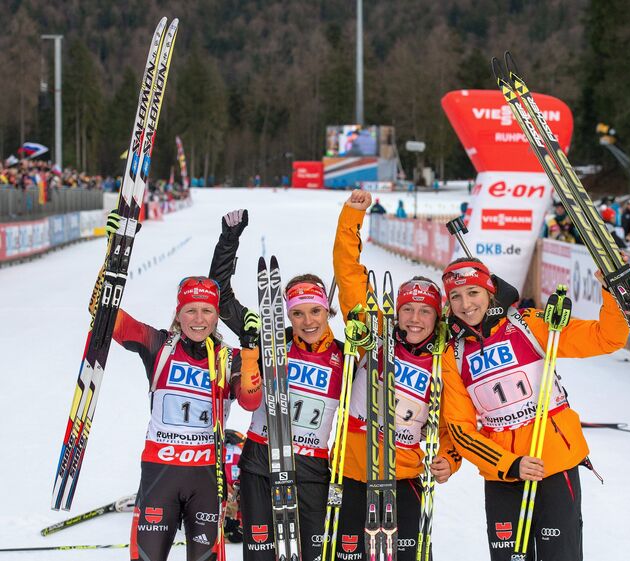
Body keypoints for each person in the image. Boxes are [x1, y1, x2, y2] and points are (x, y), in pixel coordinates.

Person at [439, 258, 629, 561]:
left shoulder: (530, 324)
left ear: (490, 292)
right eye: (456, 296)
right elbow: (461, 430)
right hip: (503, 477)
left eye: (473, 292)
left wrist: (611, 291)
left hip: (552, 464)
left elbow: (607, 338)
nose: (465, 304)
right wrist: (510, 464)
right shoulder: (454, 353)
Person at [208, 209, 348, 561]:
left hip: (312, 467)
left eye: (314, 311)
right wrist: (229, 240)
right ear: (286, 314)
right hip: (260, 463)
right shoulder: (271, 339)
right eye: (297, 313)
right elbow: (220, 299)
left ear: (326, 311)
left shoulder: (346, 357)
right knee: (261, 555)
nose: (307, 321)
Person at [332, 189, 462, 561]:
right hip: (354, 471)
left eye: (424, 311)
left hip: (405, 477)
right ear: (397, 312)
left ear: (437, 317)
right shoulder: (373, 337)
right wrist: (351, 218)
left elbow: (453, 425)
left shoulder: (445, 361)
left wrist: (449, 460)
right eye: (408, 310)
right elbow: (349, 275)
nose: (415, 319)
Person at [91, 268, 256, 561]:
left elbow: (250, 400)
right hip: (159, 474)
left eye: (207, 311)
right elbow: (107, 318)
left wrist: (251, 352)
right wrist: (112, 261)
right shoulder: (160, 346)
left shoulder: (229, 358)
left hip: (206, 478)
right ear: (178, 313)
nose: (198, 319)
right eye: (190, 310)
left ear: (217, 316)